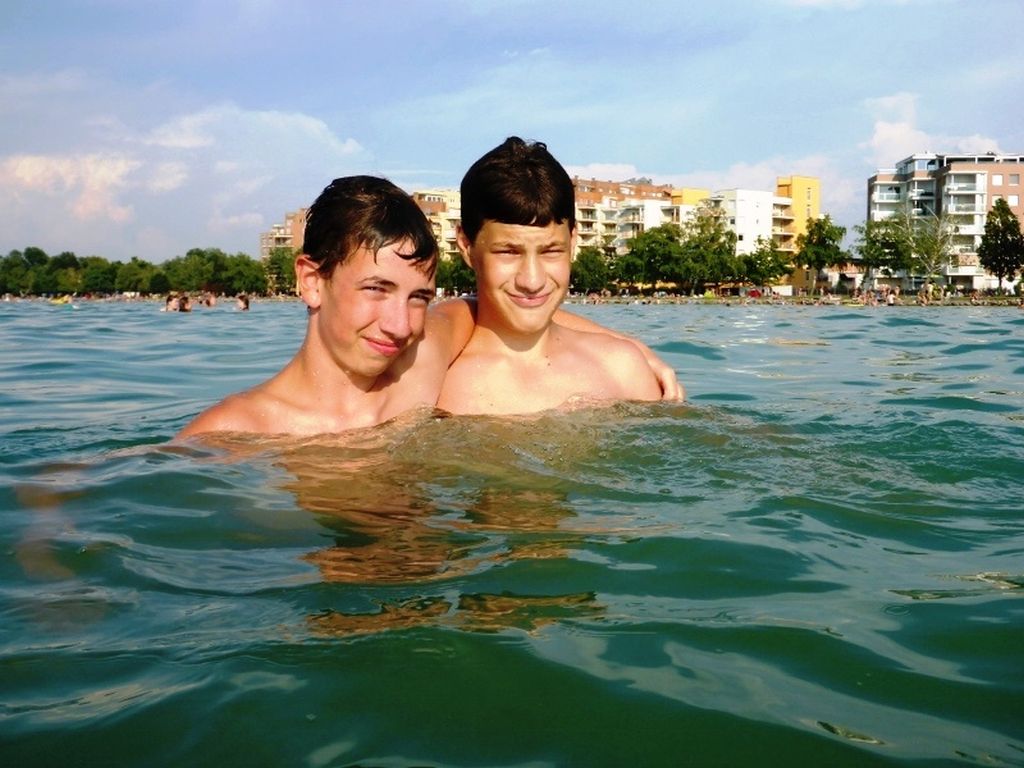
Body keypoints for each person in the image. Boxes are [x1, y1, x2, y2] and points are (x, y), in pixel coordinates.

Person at [177, 175, 678, 438]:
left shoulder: (418, 368)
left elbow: (497, 302)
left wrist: (626, 344)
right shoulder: (232, 434)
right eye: (376, 289)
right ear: (311, 281)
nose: (400, 326)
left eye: (419, 297)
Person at [436, 137, 667, 415]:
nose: (532, 281)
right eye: (508, 252)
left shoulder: (623, 369)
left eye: (551, 251)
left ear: (573, 241)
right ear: (466, 245)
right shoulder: (432, 384)